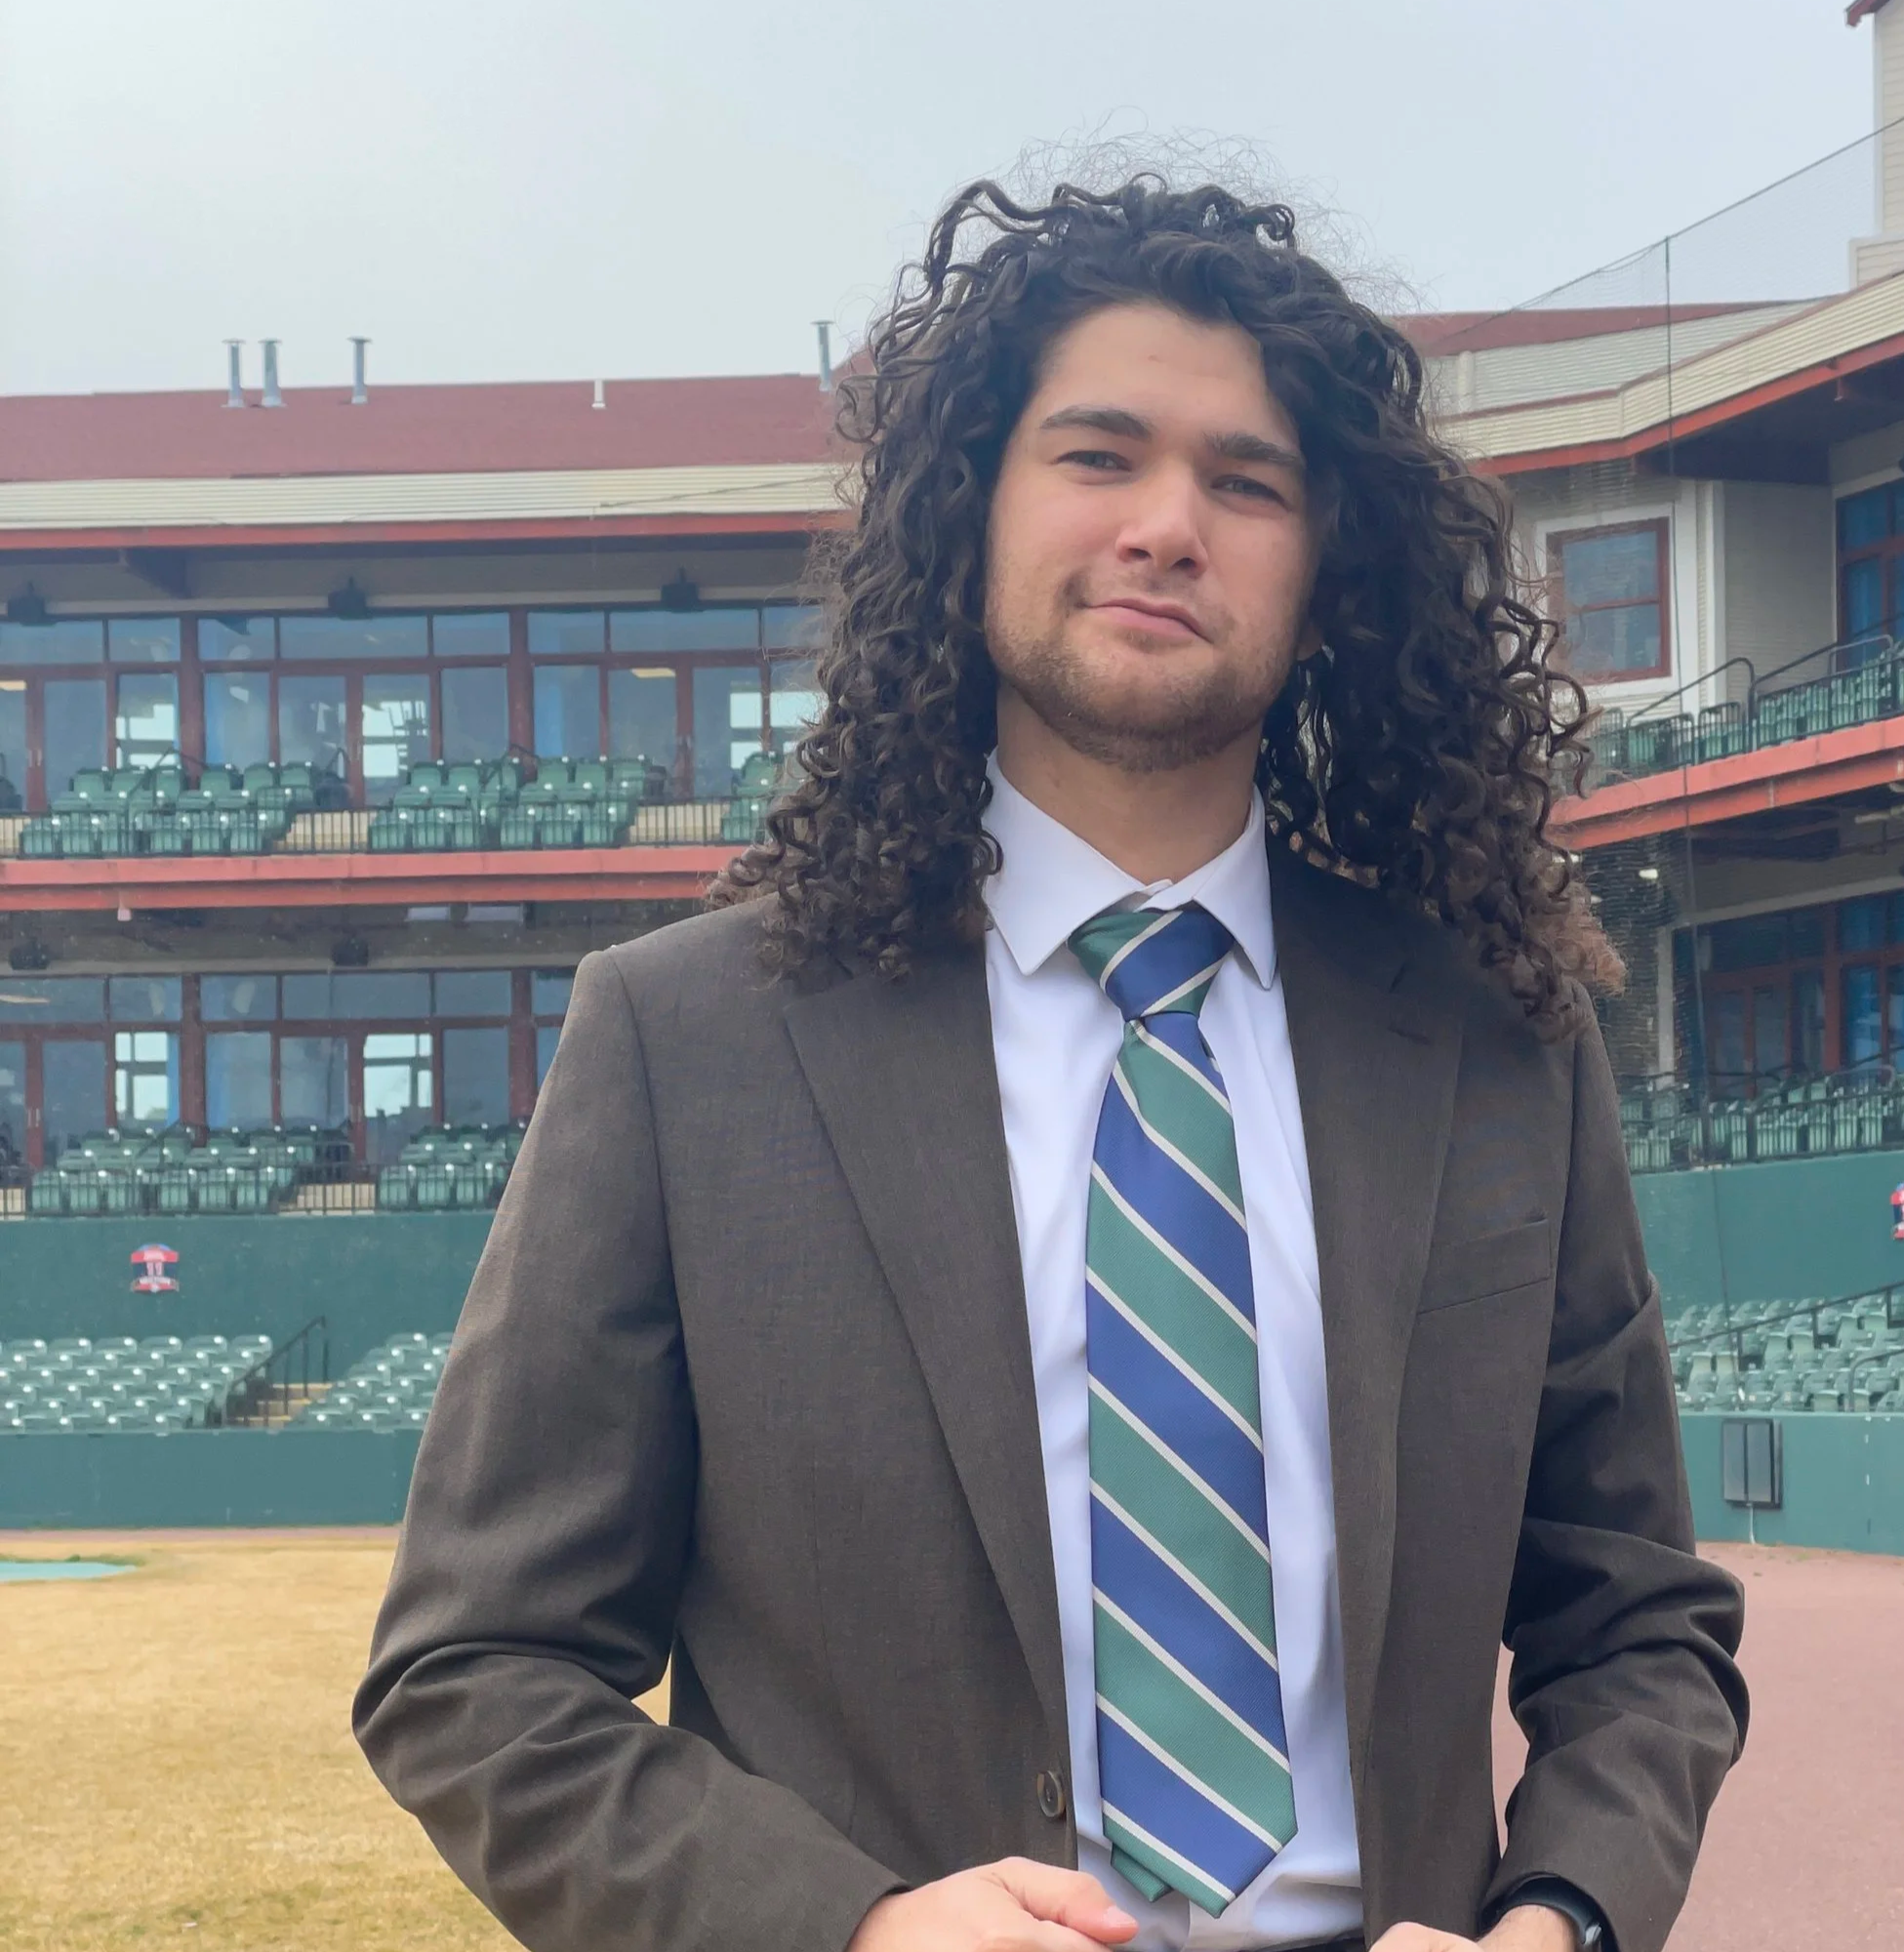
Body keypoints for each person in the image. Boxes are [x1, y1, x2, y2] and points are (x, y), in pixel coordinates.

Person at [355, 177, 1746, 1952]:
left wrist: (1564, 1919)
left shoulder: (1495, 1045)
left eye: (1247, 481)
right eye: (1099, 456)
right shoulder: (684, 1042)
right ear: (968, 522)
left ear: (1327, 579)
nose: (1171, 524)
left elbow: (1637, 1623)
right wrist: (849, 1930)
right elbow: (476, 1672)